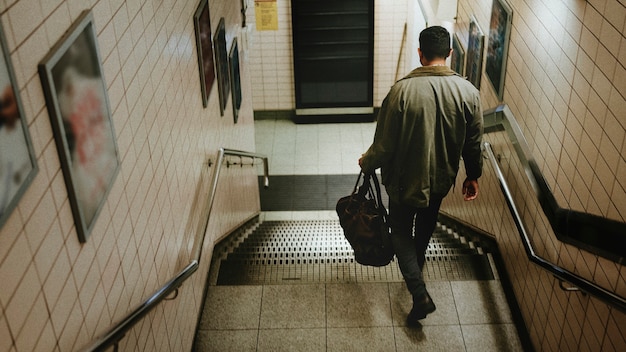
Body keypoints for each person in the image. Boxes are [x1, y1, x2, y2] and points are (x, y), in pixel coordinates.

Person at [358, 25, 483, 326]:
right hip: (441, 179)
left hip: (403, 181)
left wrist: (367, 161)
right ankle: (417, 264)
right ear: (450, 54)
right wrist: (472, 175)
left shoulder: (401, 91)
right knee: (426, 224)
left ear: (420, 53)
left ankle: (419, 292)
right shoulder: (468, 92)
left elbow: (384, 145)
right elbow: (474, 142)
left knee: (400, 230)